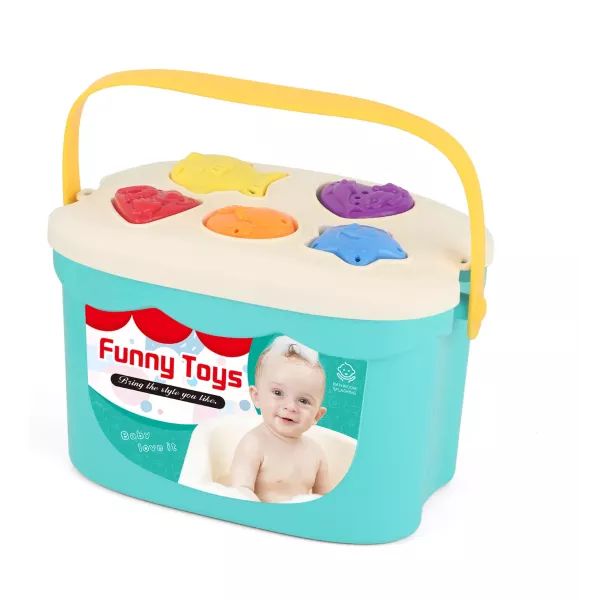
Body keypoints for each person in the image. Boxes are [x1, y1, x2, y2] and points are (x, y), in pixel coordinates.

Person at [230, 336, 331, 502]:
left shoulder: (316, 453)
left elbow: (325, 500)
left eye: (303, 401)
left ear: (317, 416)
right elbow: (240, 491)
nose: (290, 407)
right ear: (256, 396)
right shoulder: (253, 444)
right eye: (278, 393)